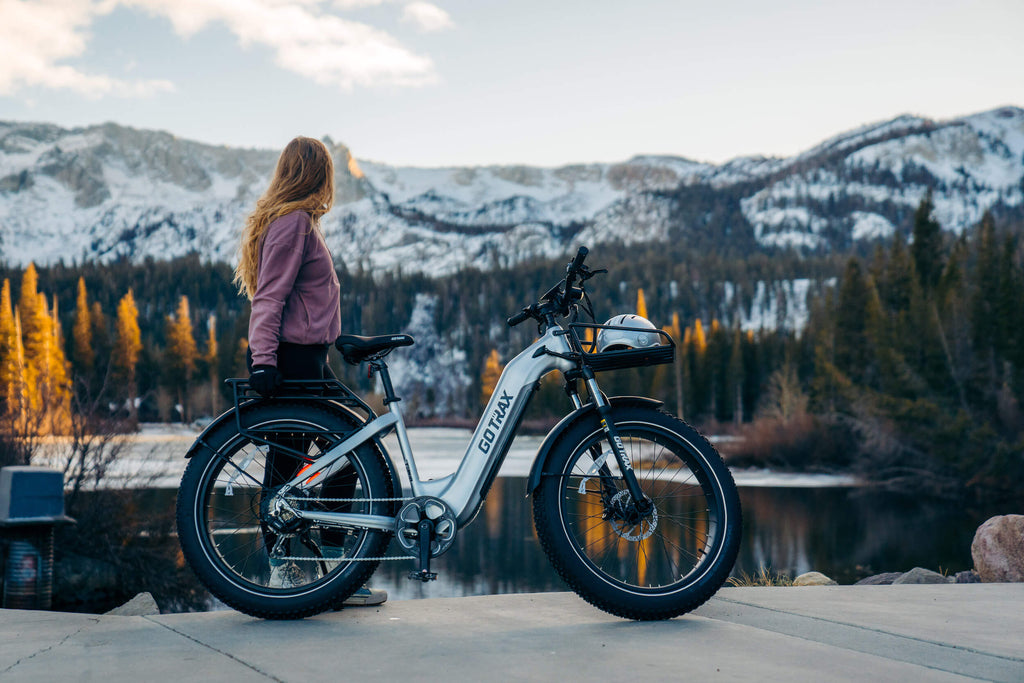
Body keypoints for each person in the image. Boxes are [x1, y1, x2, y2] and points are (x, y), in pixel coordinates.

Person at [234, 136, 386, 607]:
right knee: (336, 453)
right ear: (318, 175)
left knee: (330, 454)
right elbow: (270, 297)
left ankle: (316, 573)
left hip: (307, 358)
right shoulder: (294, 224)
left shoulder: (292, 222)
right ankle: (315, 576)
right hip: (291, 359)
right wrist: (263, 361)